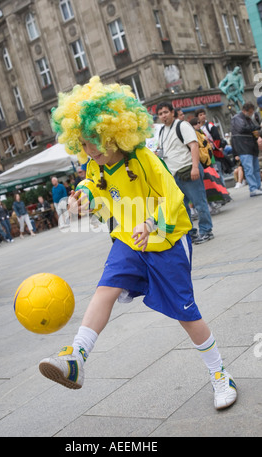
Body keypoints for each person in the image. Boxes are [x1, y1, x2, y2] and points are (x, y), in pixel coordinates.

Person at [39, 76, 237, 411]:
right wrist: (83, 197)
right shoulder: (93, 164)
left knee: (185, 314)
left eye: (95, 142)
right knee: (106, 289)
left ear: (116, 132)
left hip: (166, 241)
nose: (89, 150)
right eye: (84, 144)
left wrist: (152, 221)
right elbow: (94, 187)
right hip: (128, 241)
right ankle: (76, 356)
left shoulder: (144, 158)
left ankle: (220, 374)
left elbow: (172, 197)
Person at [156, 102, 214, 244]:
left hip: (188, 170)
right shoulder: (163, 131)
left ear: (172, 112)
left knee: (199, 203)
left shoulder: (182, 125)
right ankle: (191, 233)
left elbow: (193, 145)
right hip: (174, 174)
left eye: (165, 112)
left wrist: (195, 167)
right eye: (160, 114)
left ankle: (206, 230)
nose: (163, 116)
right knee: (182, 208)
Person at [231, 102, 262, 197]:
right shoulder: (237, 118)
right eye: (251, 112)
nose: (252, 113)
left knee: (256, 168)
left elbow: (251, 128)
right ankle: (253, 188)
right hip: (243, 147)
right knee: (249, 169)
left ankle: (257, 186)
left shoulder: (247, 118)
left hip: (251, 146)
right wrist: (255, 128)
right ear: (245, 111)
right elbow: (242, 128)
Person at [195, 108, 227, 187]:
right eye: (200, 115)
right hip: (205, 155)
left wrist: (214, 148)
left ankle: (224, 190)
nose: (203, 116)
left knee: (218, 173)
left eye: (204, 114)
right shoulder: (198, 129)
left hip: (214, 153)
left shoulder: (210, 125)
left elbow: (217, 138)